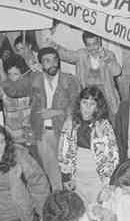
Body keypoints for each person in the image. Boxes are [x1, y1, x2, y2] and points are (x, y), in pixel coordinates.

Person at [30, 47, 81, 190]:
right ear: (40, 64)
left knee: (70, 171)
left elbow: (77, 106)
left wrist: (55, 112)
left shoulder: (69, 80)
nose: (52, 64)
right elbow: (14, 88)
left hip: (63, 131)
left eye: (54, 60)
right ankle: (60, 202)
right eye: (47, 61)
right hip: (42, 132)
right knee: (52, 175)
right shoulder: (35, 80)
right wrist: (1, 69)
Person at [58, 85, 119, 203]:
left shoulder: (104, 126)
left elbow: (112, 156)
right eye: (84, 102)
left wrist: (108, 183)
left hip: (97, 180)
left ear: (98, 107)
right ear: (79, 103)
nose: (87, 108)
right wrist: (66, 177)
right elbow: (64, 152)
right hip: (77, 179)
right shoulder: (70, 123)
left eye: (92, 104)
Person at [54, 32, 122, 114]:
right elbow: (67, 55)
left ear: (100, 41)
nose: (93, 48)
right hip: (88, 97)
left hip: (106, 96)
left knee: (107, 122)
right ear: (85, 45)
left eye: (95, 44)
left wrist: (107, 60)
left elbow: (117, 72)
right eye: (89, 45)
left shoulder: (109, 54)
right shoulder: (81, 54)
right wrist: (56, 47)